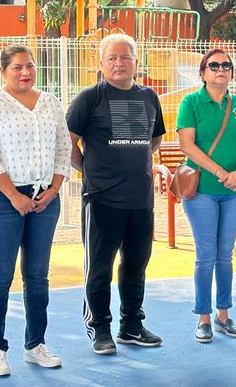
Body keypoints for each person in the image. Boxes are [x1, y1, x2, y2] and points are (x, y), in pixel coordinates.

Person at [0, 45, 71, 375]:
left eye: (29, 66)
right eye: (17, 67)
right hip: (2, 199)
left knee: (38, 276)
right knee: (0, 276)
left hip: (44, 199)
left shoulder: (50, 102)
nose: (25, 72)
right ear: (3, 71)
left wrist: (54, 189)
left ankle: (36, 345)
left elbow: (63, 147)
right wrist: (14, 195)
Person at [67, 33, 167, 354]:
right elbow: (68, 142)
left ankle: (131, 326)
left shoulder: (149, 97)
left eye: (125, 57)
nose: (119, 63)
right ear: (101, 63)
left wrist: (135, 166)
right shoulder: (90, 98)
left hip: (140, 200)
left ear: (137, 62)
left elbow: (153, 141)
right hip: (101, 199)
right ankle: (100, 329)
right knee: (99, 267)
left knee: (136, 264)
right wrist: (92, 171)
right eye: (112, 58)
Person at [177, 48, 236, 343]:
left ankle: (223, 315)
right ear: (203, 73)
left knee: (225, 254)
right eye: (214, 65)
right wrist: (219, 171)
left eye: (226, 65)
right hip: (201, 191)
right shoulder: (191, 102)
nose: (220, 69)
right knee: (206, 255)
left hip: (234, 191)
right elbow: (187, 145)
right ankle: (203, 317)